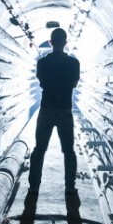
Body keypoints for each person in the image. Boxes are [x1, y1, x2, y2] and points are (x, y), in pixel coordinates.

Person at [29, 28, 80, 195]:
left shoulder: (42, 63)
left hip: (47, 109)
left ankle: (34, 185)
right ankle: (70, 186)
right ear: (65, 43)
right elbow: (73, 84)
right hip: (65, 110)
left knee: (39, 149)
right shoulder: (74, 63)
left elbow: (42, 82)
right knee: (69, 151)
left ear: (51, 43)